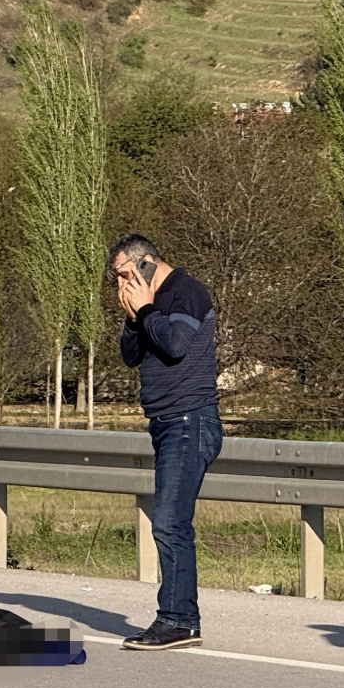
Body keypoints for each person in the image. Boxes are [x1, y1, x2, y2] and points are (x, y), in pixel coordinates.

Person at [112, 234, 221, 650]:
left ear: (146, 263)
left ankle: (178, 619)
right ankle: (180, 618)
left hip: (190, 421)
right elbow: (131, 355)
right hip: (164, 422)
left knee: (169, 522)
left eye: (124, 275)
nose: (121, 285)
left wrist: (146, 309)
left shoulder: (186, 293)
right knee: (170, 521)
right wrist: (133, 318)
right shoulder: (149, 304)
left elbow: (175, 345)